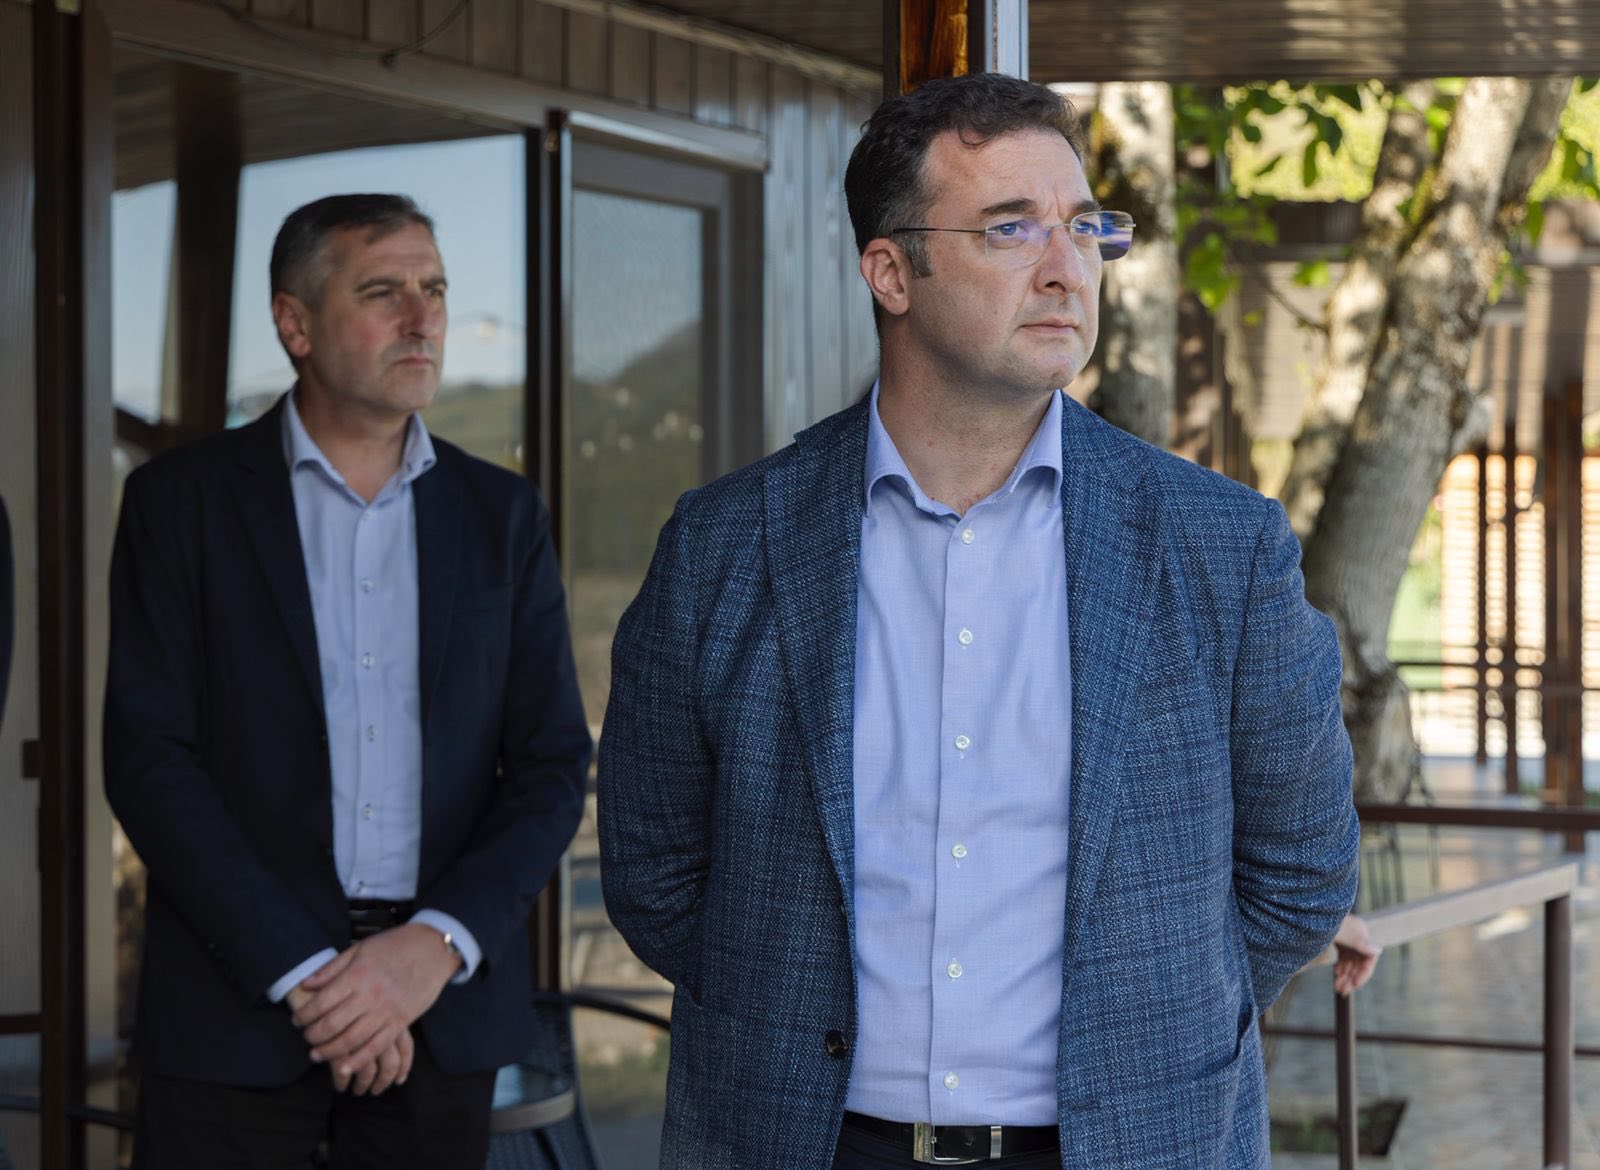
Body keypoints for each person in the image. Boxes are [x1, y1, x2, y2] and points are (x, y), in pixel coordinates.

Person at [598, 73, 1359, 1170]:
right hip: (804, 1142)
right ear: (890, 272)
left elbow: (1301, 873)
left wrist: (1148, 1023)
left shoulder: (1221, 545)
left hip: (1129, 1143)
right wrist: (780, 1017)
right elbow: (654, 872)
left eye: (1084, 227)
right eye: (1010, 228)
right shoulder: (725, 544)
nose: (1065, 267)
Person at [104, 194, 591, 1169]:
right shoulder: (179, 503)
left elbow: (549, 765)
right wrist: (310, 976)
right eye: (382, 292)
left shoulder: (501, 514)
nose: (422, 319)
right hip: (234, 1016)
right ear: (295, 324)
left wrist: (432, 947)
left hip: (438, 1016)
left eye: (434, 289)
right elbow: (148, 760)